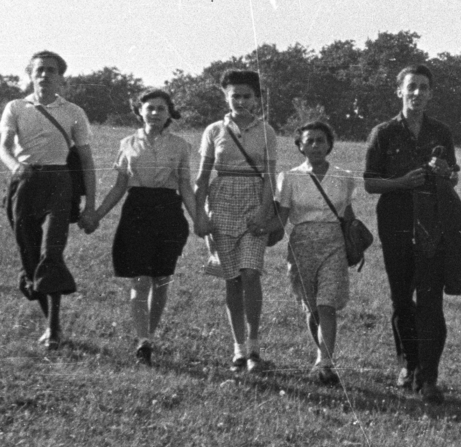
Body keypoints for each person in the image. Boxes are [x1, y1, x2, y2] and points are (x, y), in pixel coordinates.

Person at [81, 89, 202, 365]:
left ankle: (149, 334)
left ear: (169, 113)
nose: (155, 113)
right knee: (140, 277)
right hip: (137, 211)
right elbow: (120, 185)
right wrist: (97, 214)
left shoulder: (181, 146)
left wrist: (199, 221)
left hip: (168, 212)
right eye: (150, 108)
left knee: (161, 279)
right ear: (140, 111)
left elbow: (185, 186)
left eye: (161, 108)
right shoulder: (127, 143)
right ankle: (143, 340)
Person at [363, 63, 458, 402]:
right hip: (396, 223)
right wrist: (401, 183)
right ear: (399, 91)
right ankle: (409, 364)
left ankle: (429, 378)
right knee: (402, 299)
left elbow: (453, 177)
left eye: (423, 87)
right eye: (411, 87)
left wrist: (445, 173)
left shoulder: (441, 133)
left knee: (431, 302)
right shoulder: (383, 132)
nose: (417, 93)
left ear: (431, 93)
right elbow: (369, 182)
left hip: (433, 223)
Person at [0, 51, 97, 351]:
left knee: (50, 253)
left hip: (59, 182)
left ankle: (53, 329)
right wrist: (17, 168)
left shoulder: (74, 112)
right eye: (39, 70)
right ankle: (48, 319)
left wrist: (90, 205)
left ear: (61, 76)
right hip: (25, 181)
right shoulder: (15, 107)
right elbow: (3, 147)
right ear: (30, 74)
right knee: (29, 256)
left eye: (51, 70)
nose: (44, 75)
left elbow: (87, 160)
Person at [194, 69, 279, 374]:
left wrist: (264, 209)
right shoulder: (214, 130)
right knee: (231, 278)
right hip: (222, 201)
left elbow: (270, 176)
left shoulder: (266, 131)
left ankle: (255, 346)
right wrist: (199, 215)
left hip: (254, 203)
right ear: (225, 96)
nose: (241, 101)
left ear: (256, 98)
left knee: (250, 273)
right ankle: (238, 349)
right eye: (235, 95)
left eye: (247, 95)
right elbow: (202, 177)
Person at [276, 121, 359, 385]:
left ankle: (326, 363)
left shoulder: (343, 176)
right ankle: (320, 356)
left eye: (320, 140)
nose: (315, 146)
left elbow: (348, 215)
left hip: (333, 243)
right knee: (312, 307)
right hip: (301, 245)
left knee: (327, 304)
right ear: (300, 145)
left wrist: (355, 241)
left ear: (329, 144)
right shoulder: (289, 177)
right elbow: (282, 218)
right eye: (309, 141)